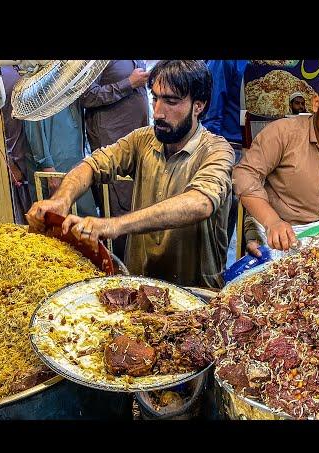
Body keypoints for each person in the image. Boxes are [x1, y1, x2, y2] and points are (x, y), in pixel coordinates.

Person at [26, 60, 235, 288]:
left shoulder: (217, 150)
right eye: (155, 98)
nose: (157, 113)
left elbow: (200, 203)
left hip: (193, 292)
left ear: (199, 106)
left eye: (171, 102)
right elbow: (92, 165)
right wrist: (60, 201)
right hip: (139, 284)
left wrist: (114, 225)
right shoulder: (143, 139)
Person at [233, 67, 319, 256]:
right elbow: (244, 175)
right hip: (280, 231)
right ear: (316, 104)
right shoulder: (283, 132)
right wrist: (272, 221)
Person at [80, 60, 150, 259]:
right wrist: (128, 83)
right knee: (117, 211)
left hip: (138, 142)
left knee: (135, 208)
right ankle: (119, 272)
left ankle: (136, 265)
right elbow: (86, 96)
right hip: (111, 143)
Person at [202, 59, 248, 257]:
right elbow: (212, 111)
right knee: (221, 223)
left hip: (265, 148)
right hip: (232, 149)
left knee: (252, 228)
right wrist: (215, 154)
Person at [23, 100, 97, 218]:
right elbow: (34, 132)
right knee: (55, 223)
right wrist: (49, 170)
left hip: (76, 165)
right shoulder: (35, 90)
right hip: (54, 169)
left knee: (84, 220)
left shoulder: (70, 87)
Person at [0, 66, 33, 224]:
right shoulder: (2, 76)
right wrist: (10, 162)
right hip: (17, 161)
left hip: (33, 158)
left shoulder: (24, 67)